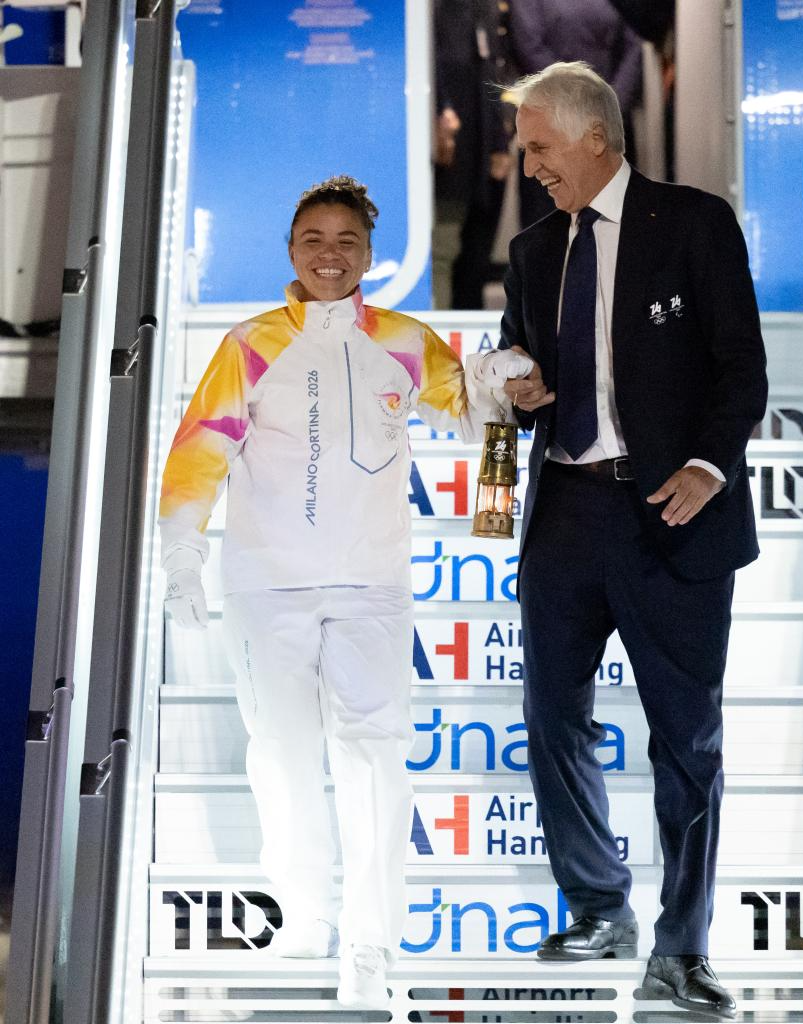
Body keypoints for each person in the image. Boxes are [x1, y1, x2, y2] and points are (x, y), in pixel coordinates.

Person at [158, 176, 530, 1009]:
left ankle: (368, 940)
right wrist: (182, 553)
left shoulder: (404, 339)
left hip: (370, 585)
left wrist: (494, 384)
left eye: (346, 242)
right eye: (314, 241)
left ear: (369, 255)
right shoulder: (250, 345)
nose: (330, 256)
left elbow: (473, 419)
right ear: (291, 250)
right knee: (282, 756)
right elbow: (200, 450)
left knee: (374, 762)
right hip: (267, 585)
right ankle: (305, 916)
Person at [499, 63, 767, 1021]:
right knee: (552, 718)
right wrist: (519, 382)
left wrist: (707, 465)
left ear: (594, 137)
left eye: (539, 147)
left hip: (671, 511)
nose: (530, 166)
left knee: (686, 741)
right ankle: (597, 906)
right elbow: (515, 357)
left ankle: (682, 949)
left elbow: (742, 366)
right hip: (566, 513)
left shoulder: (694, 223)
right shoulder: (533, 250)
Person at [509, 0, 643, 226]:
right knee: (549, 232)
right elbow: (529, 47)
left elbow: (634, 45)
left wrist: (611, 105)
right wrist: (576, 104)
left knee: (616, 228)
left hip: (609, 125)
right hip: (550, 124)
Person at [432, 0, 514, 309]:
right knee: (443, 249)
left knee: (476, 255)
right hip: (448, 152)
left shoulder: (486, 9)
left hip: (485, 149)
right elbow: (431, 65)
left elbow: (498, 69)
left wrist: (501, 136)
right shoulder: (431, 10)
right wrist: (439, 111)